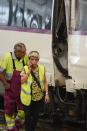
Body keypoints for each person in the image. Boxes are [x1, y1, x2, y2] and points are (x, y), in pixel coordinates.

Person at [0, 42, 28, 131]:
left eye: (25, 51)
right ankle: (11, 128)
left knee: (22, 112)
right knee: (9, 110)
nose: (25, 53)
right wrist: (5, 84)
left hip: (21, 88)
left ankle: (17, 127)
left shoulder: (25, 57)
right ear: (17, 52)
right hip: (10, 88)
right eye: (23, 52)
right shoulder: (7, 57)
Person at [20, 51, 50, 131]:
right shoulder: (25, 68)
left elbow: (45, 81)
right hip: (27, 98)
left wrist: (46, 94)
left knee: (36, 116)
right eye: (32, 59)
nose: (34, 61)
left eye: (36, 59)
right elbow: (21, 81)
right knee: (28, 116)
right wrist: (28, 72)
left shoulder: (42, 68)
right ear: (29, 59)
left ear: (38, 60)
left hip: (38, 98)